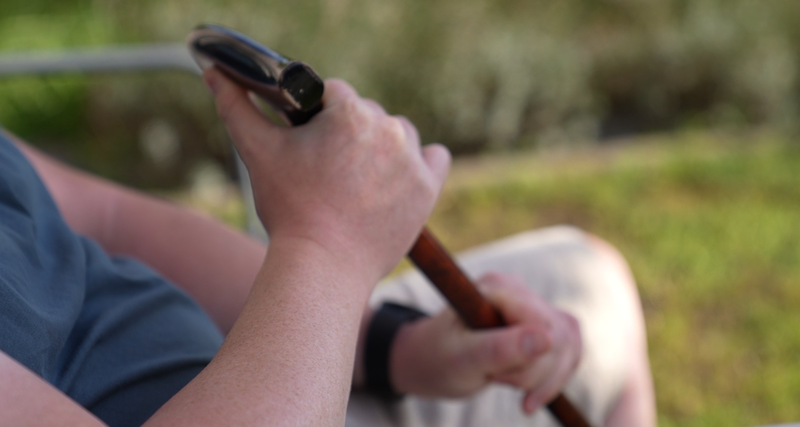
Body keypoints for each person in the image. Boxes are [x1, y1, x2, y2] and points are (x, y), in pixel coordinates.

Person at [0, 68, 655, 427]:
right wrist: (328, 242)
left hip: (286, 377)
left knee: (586, 279)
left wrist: (392, 346)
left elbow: (107, 215)